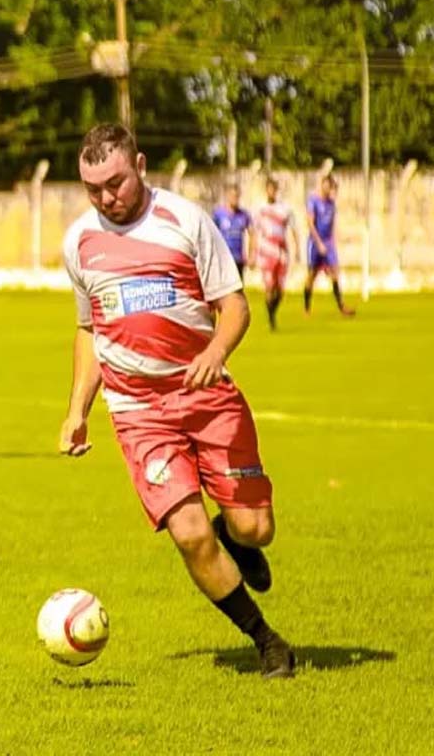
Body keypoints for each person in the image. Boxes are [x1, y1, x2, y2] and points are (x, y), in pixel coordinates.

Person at [59, 123, 295, 678]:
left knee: (255, 529)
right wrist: (77, 410)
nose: (105, 198)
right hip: (138, 412)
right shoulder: (79, 242)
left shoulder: (185, 221)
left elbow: (234, 305)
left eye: (114, 183)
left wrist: (216, 350)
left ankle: (231, 536)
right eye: (92, 188)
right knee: (188, 535)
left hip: (208, 397)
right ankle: (267, 642)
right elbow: (89, 330)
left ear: (139, 165)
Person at [253, 176, 301, 331]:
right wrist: (253, 253)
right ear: (266, 190)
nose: (272, 192)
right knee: (268, 287)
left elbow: (293, 230)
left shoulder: (285, 209)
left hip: (281, 251)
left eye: (274, 189)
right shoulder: (260, 209)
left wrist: (297, 250)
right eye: (269, 189)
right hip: (266, 251)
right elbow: (254, 232)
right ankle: (271, 319)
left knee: (280, 289)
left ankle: (272, 312)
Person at [303, 175, 355, 317]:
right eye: (326, 186)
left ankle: (341, 306)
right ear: (322, 185)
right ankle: (306, 308)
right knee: (311, 275)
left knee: (334, 273)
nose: (328, 189)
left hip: (328, 243)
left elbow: (332, 226)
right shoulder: (313, 200)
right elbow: (310, 223)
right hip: (315, 243)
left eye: (330, 187)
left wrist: (333, 242)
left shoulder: (331, 204)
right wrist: (319, 243)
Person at [211, 183, 252, 281]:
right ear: (227, 196)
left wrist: (250, 255)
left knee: (238, 289)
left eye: (237, 196)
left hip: (238, 258)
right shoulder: (218, 214)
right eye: (232, 196)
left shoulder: (243, 215)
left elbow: (252, 234)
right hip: (223, 258)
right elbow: (211, 234)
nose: (235, 198)